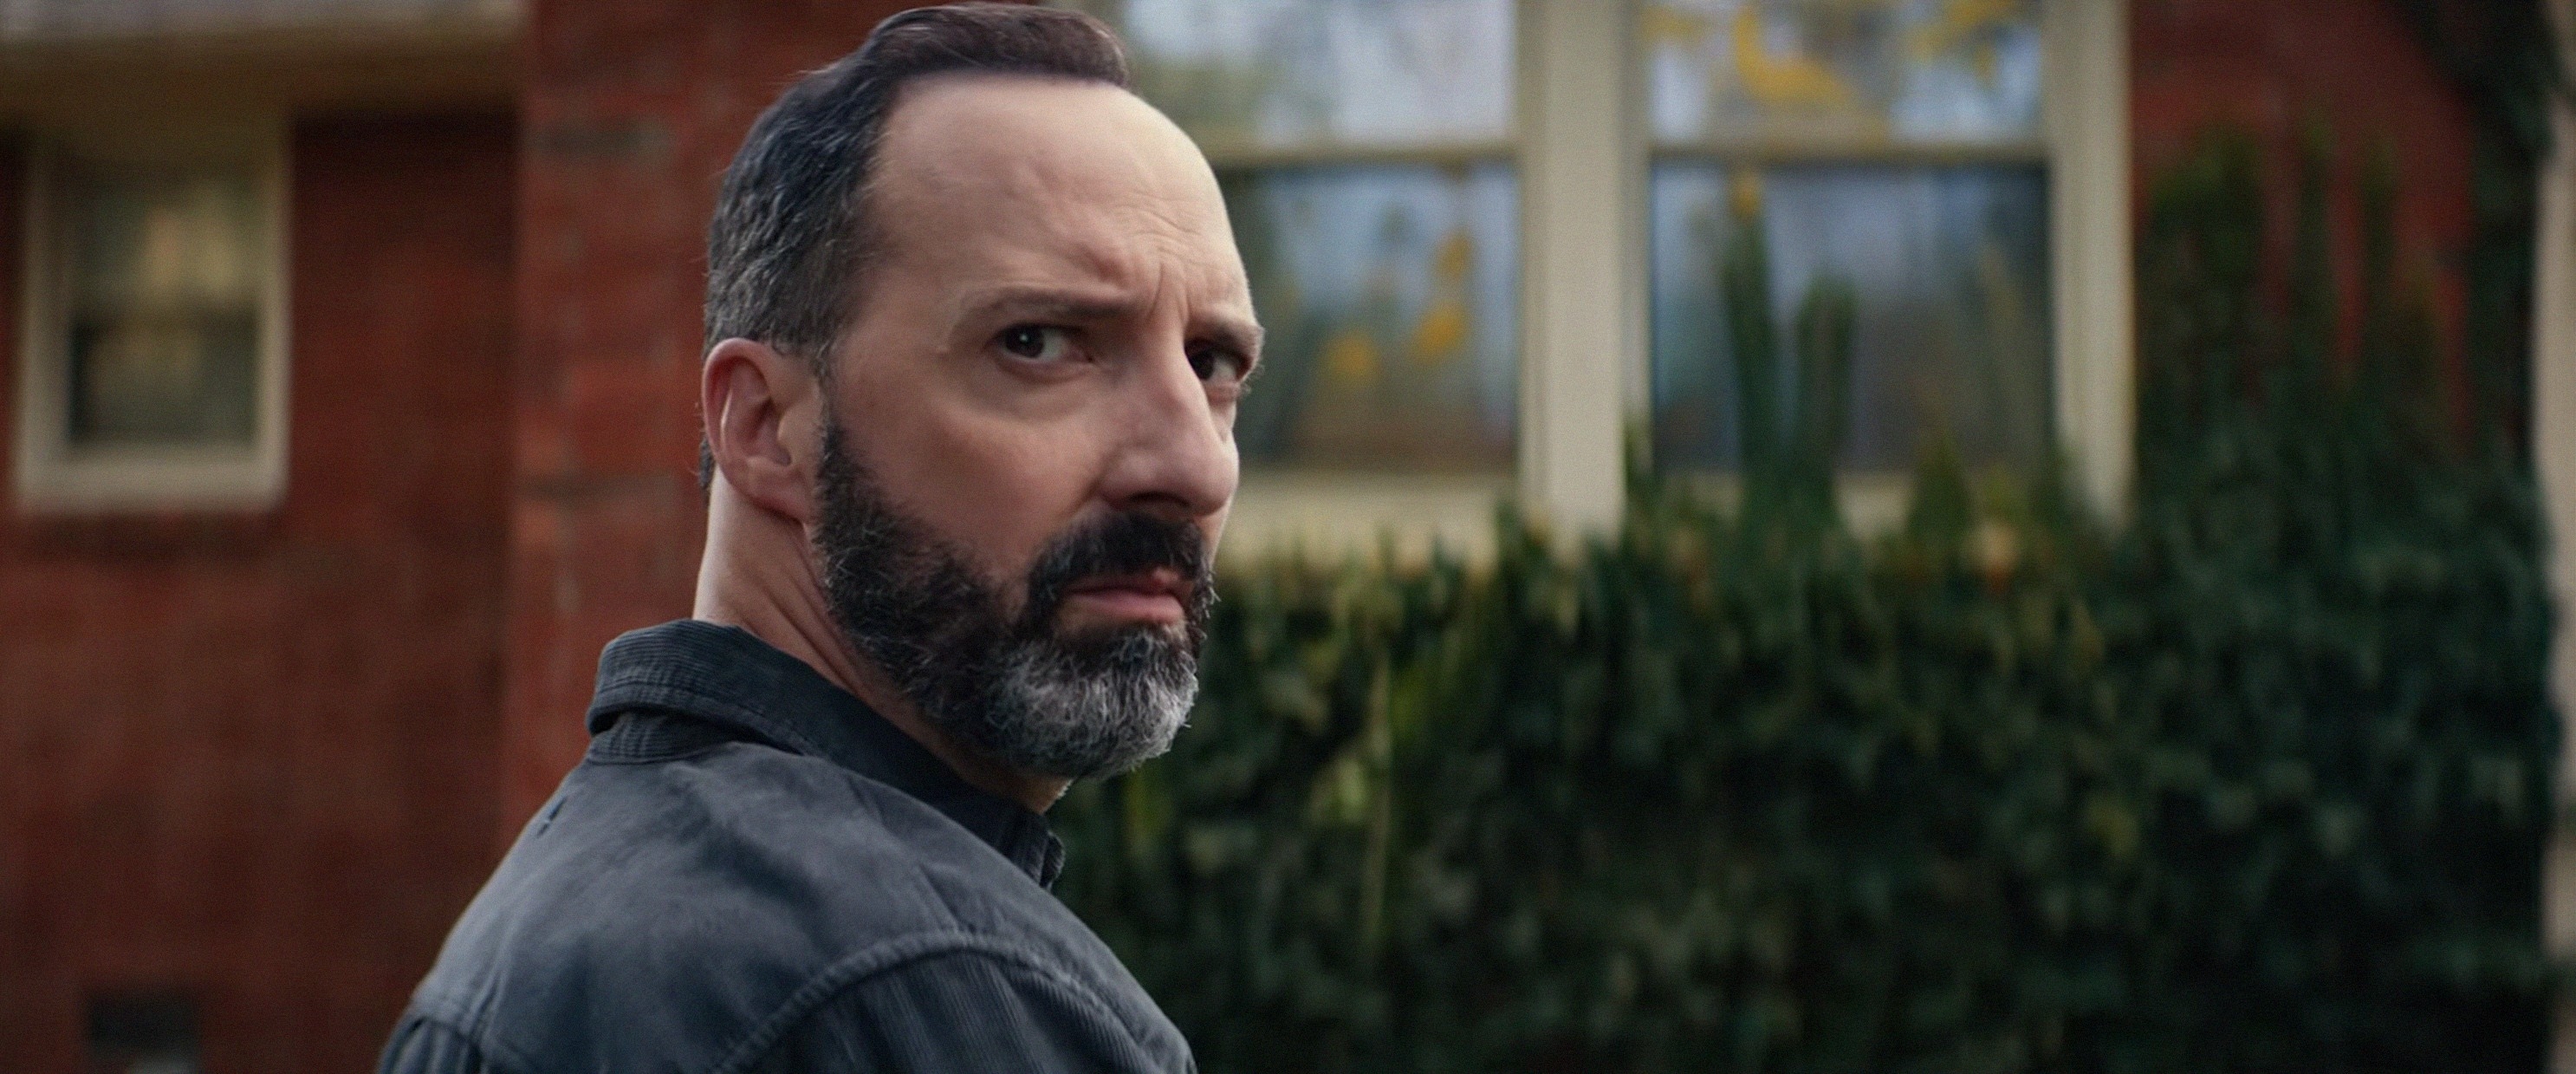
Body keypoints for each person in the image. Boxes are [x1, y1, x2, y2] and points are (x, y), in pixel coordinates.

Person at [379, 5, 1254, 1071]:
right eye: (1040, 342)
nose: (1194, 466)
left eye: (1213, 365)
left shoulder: (562, 917)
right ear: (765, 429)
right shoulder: (915, 994)